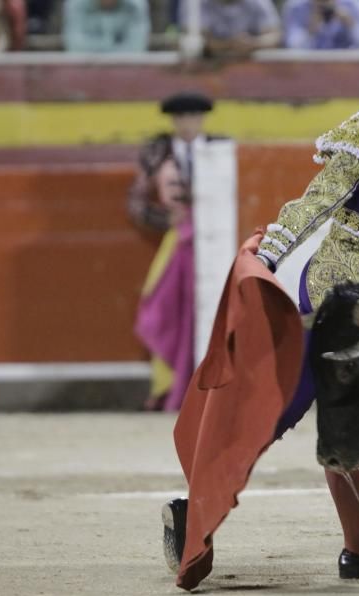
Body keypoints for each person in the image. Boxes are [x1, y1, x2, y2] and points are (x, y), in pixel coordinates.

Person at [164, 61, 359, 582]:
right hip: (335, 296)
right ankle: (192, 513)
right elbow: (314, 204)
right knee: (278, 409)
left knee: (355, 418)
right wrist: (270, 257)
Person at [130, 92, 221, 413]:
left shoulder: (221, 147)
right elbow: (137, 203)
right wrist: (165, 219)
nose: (187, 123)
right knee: (170, 308)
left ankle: (217, 388)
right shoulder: (157, 153)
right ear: (173, 121)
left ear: (202, 119)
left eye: (193, 117)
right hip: (178, 242)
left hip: (218, 242)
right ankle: (173, 387)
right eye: (181, 118)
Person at [182, 0, 281, 57]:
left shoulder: (259, 2)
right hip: (206, 75)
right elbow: (196, 41)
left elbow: (275, 36)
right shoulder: (195, 3)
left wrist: (253, 43)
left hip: (253, 76)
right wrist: (230, 45)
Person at [282, 0, 359, 49]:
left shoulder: (355, 5)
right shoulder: (295, 8)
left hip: (349, 73)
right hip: (308, 75)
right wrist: (311, 30)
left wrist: (351, 24)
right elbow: (293, 49)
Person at [62, 0, 150, 54]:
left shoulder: (136, 5)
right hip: (84, 73)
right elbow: (75, 47)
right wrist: (110, 47)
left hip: (127, 74)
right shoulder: (75, 4)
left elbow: (137, 49)